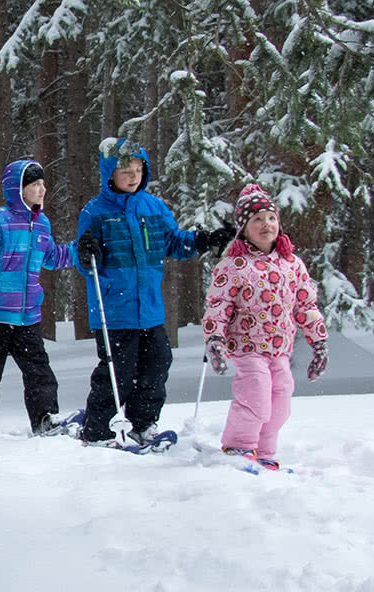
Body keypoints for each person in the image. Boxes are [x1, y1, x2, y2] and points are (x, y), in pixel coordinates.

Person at [73, 139, 236, 447]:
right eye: (126, 171)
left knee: (158, 363)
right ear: (110, 173)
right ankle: (97, 430)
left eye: (138, 169)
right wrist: (85, 252)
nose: (133, 176)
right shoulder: (95, 212)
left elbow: (174, 242)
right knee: (116, 372)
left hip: (149, 308)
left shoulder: (154, 207)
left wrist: (205, 240)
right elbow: (84, 262)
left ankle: (142, 423)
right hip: (115, 310)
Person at [200, 184, 328, 472]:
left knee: (281, 398)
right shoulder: (233, 265)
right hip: (246, 347)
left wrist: (318, 343)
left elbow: (306, 306)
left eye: (271, 218)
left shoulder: (292, 264)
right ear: (244, 228)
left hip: (280, 348)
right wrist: (215, 340)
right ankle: (239, 446)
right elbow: (218, 306)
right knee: (256, 393)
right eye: (257, 219)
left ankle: (265, 452)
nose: (266, 224)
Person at [0, 160, 77, 435]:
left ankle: (44, 418)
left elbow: (50, 258)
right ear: (18, 188)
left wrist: (75, 250)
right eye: (34, 184)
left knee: (39, 370)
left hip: (27, 315)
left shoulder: (42, 223)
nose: (42, 189)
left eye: (43, 184)